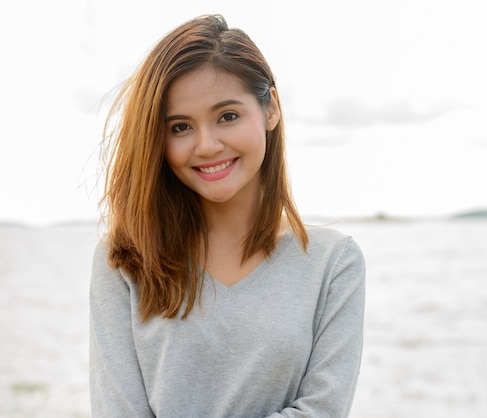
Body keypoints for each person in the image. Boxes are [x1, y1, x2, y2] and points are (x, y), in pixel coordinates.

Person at [89, 14, 366, 417]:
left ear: (271, 108)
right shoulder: (125, 257)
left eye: (228, 116)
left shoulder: (334, 264)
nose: (206, 145)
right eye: (180, 127)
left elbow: (322, 410)